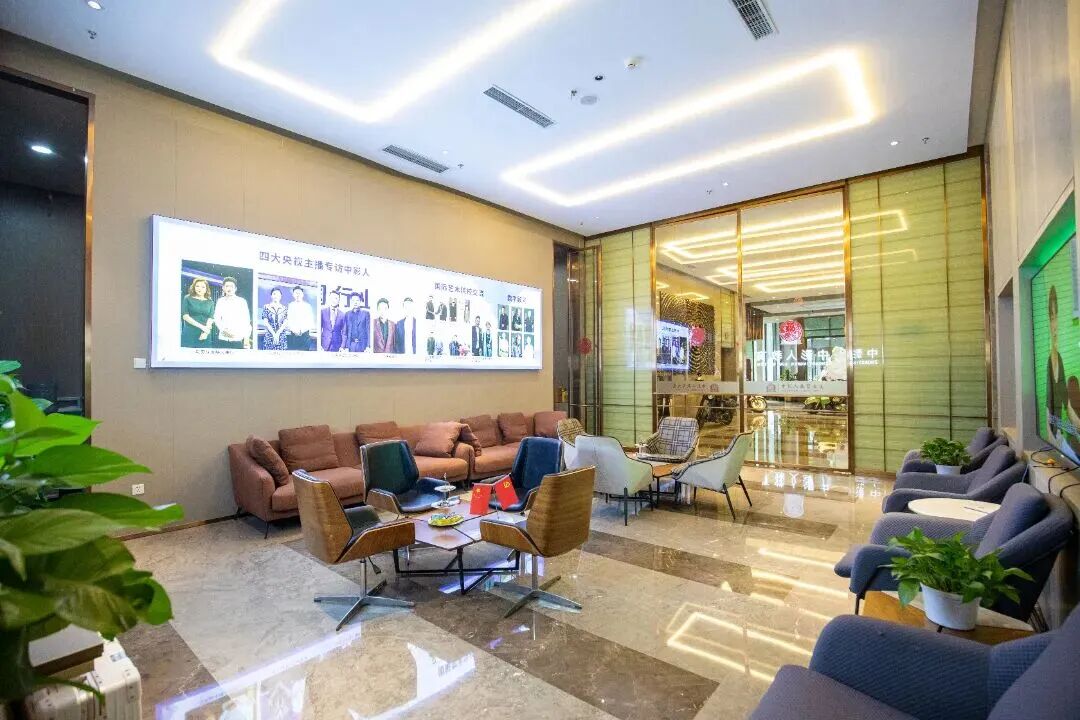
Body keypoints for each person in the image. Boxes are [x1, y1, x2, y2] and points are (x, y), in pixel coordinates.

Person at [1047, 285, 1068, 440]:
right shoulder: (1049, 361)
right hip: (1053, 437)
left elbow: (1067, 404)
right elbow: (1048, 412)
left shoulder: (1059, 359)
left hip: (1059, 434)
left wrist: (1074, 429)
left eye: (1056, 316)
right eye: (1051, 317)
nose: (1055, 325)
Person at [213, 276, 251, 349]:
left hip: (237, 338)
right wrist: (224, 330)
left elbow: (246, 320)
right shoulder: (220, 301)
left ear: (235, 288)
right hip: (223, 338)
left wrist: (246, 338)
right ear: (223, 288)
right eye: (227, 286)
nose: (229, 288)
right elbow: (216, 318)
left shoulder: (242, 301)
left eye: (231, 286)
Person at [181, 277, 215, 348]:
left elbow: (211, 318)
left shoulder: (210, 301)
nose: (200, 289)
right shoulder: (187, 298)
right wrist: (203, 327)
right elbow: (185, 316)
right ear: (194, 287)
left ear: (206, 289)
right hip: (190, 332)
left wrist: (205, 333)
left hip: (205, 334)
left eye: (203, 287)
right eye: (197, 286)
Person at [285, 286, 315, 351]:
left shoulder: (307, 306)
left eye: (299, 293)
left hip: (305, 336)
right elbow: (288, 320)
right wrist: (294, 330)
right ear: (293, 295)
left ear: (302, 294)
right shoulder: (291, 305)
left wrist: (301, 331)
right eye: (296, 293)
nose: (297, 295)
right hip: (293, 335)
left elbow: (310, 322)